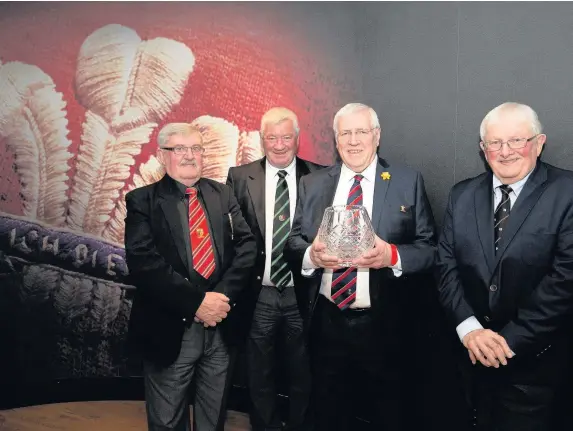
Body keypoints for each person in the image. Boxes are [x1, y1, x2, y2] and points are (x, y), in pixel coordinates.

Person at [284, 102, 436, 431]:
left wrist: (391, 257)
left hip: (384, 325)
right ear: (336, 140)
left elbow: (429, 250)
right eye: (345, 133)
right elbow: (293, 243)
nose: (354, 140)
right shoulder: (313, 183)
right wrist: (312, 255)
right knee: (327, 413)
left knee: (388, 414)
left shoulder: (406, 181)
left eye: (361, 132)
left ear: (377, 136)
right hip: (326, 322)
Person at [436, 102, 573, 430]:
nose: (505, 151)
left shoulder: (567, 191)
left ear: (539, 143)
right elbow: (445, 266)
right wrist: (470, 330)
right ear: (483, 150)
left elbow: (566, 276)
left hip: (538, 368)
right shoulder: (462, 194)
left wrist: (509, 341)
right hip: (469, 361)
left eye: (516, 140)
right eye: (495, 143)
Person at [124, 123, 257, 431]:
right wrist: (197, 303)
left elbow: (247, 246)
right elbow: (144, 263)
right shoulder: (141, 201)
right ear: (162, 155)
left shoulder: (223, 195)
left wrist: (220, 298)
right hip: (170, 330)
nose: (189, 156)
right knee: (167, 421)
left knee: (214, 419)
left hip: (221, 329)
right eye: (179, 149)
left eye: (195, 148)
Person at [226, 107, 323, 431]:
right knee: (259, 374)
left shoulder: (321, 177)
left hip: (304, 294)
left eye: (286, 137)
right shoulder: (239, 178)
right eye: (272, 137)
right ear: (261, 139)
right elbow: (232, 239)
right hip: (260, 295)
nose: (279, 145)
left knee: (304, 372)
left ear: (297, 139)